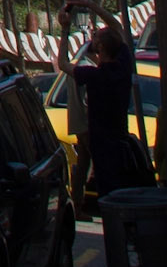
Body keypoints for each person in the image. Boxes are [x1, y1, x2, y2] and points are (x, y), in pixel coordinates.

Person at [58, 17, 135, 200]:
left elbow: (62, 63)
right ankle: (78, 203)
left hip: (100, 143)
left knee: (108, 196)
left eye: (96, 37)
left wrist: (65, 29)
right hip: (119, 139)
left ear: (100, 48)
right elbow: (117, 26)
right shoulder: (123, 67)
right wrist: (91, 5)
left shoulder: (93, 75)